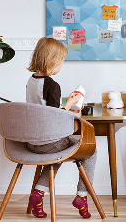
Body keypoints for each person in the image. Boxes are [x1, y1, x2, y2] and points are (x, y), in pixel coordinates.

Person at [26, 37, 96, 219]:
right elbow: (53, 117)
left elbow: (43, 110)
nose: (62, 65)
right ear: (52, 61)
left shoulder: (31, 81)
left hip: (32, 142)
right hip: (49, 142)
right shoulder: (52, 85)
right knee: (91, 150)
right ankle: (82, 196)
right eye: (62, 61)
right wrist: (70, 105)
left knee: (57, 154)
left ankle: (38, 194)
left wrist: (65, 105)